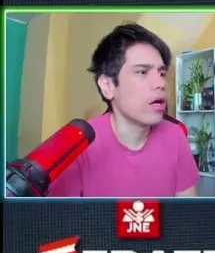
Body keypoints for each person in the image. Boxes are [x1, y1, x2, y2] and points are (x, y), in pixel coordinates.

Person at [46, 23, 201, 198]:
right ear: (108, 86)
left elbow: (188, 210)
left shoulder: (176, 136)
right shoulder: (77, 146)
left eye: (161, 74)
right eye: (142, 72)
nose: (161, 83)